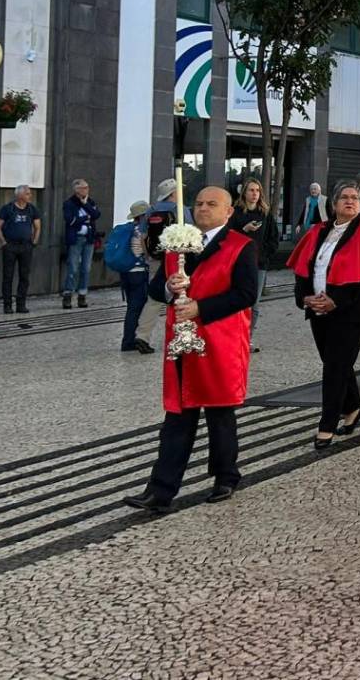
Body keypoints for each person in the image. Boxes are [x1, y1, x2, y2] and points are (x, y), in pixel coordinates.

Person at [122, 187, 258, 514]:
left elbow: (245, 294)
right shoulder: (178, 243)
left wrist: (201, 308)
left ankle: (226, 476)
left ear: (228, 212)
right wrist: (170, 286)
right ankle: (160, 490)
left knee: (219, 413)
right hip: (183, 344)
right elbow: (157, 290)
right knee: (177, 417)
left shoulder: (241, 246)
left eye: (212, 204)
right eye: (198, 203)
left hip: (219, 341)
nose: (203, 209)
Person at [288, 183, 360, 450]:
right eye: (344, 198)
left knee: (334, 366)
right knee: (338, 363)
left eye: (354, 198)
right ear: (333, 204)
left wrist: (335, 300)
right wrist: (305, 298)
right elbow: (303, 270)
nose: (350, 201)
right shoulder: (318, 231)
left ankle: (326, 425)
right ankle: (354, 408)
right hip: (318, 309)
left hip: (352, 311)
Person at [135, 179, 192, 349]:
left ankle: (142, 335)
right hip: (177, 258)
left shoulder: (151, 210)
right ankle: (181, 335)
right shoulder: (180, 210)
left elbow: (143, 236)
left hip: (155, 258)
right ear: (174, 193)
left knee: (154, 297)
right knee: (181, 296)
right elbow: (190, 234)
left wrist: (149, 256)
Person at [230, 178, 279, 350]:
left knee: (254, 304)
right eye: (251, 190)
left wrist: (264, 255)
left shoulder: (264, 214)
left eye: (257, 191)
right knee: (237, 302)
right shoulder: (235, 213)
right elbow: (226, 236)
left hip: (258, 265)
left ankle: (247, 339)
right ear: (244, 192)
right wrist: (244, 230)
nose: (254, 194)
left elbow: (274, 238)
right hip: (237, 264)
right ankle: (234, 337)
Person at [0, 184, 42, 314]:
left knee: (24, 276)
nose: (30, 195)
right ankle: (7, 305)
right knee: (8, 276)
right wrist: (3, 242)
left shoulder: (32, 209)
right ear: (19, 195)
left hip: (26, 246)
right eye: (27, 193)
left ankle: (21, 304)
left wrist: (34, 241)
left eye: (30, 193)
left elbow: (37, 226)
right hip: (10, 246)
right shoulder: (7, 209)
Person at [117, 201, 156, 354]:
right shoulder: (141, 230)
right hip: (138, 272)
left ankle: (128, 339)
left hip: (126, 272)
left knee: (131, 307)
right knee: (136, 307)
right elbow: (146, 251)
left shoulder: (129, 228)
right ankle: (130, 341)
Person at [61, 178, 101, 309]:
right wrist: (85, 218)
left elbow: (95, 215)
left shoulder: (90, 202)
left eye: (87, 187)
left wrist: (85, 205)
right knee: (73, 267)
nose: (86, 190)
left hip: (88, 239)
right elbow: (70, 220)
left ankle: (82, 295)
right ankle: (68, 295)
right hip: (76, 239)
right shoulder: (69, 203)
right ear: (76, 190)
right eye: (84, 188)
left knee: (86, 268)